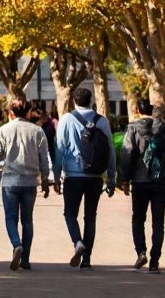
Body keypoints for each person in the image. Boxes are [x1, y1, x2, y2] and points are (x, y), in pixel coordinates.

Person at [0, 99, 52, 272]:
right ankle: (26, 258)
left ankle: (16, 244)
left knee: (10, 218)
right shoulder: (38, 132)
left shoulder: (3, 131)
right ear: (28, 113)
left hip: (10, 182)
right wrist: (45, 179)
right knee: (27, 220)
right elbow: (44, 158)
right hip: (30, 182)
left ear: (11, 113)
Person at [52, 87, 117, 270]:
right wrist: (111, 177)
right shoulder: (101, 121)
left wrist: (55, 177)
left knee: (70, 214)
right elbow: (110, 151)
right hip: (95, 177)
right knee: (90, 217)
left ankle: (77, 242)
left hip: (73, 176)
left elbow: (59, 150)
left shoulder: (66, 119)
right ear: (91, 101)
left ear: (74, 101)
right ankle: (87, 259)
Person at [119, 100, 165, 274]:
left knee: (138, 219)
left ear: (138, 110)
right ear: (152, 110)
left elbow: (126, 154)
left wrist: (124, 179)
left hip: (139, 182)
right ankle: (155, 261)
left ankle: (141, 252)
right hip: (161, 181)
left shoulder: (132, 128)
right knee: (158, 222)